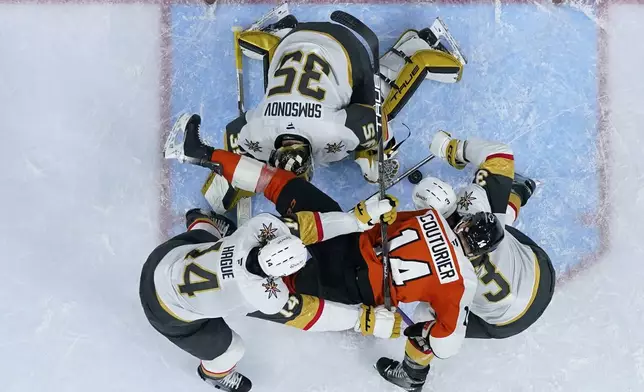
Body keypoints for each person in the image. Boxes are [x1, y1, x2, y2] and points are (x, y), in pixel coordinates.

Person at [170, 114, 505, 392]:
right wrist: (420, 334)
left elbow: (384, 220)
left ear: (466, 221)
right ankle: (413, 375)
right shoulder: (462, 284)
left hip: (346, 238)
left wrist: (373, 215)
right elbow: (446, 343)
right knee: (275, 290)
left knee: (282, 185)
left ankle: (203, 154)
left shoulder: (432, 215)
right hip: (351, 286)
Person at [185, 11, 465, 214]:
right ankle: (279, 34)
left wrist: (383, 157)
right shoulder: (258, 129)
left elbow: (377, 121)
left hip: (344, 45)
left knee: (375, 167)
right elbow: (233, 133)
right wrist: (234, 170)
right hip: (295, 43)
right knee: (287, 89)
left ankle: (415, 48)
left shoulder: (332, 130)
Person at [139, 184, 399, 391]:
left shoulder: (252, 233)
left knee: (210, 242)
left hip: (163, 261)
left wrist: (354, 220)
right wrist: (361, 320)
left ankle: (201, 220)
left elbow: (305, 228)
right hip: (168, 314)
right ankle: (213, 374)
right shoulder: (256, 295)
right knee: (231, 350)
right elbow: (310, 314)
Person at [391, 131, 556, 390]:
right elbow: (499, 154)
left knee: (426, 316)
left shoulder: (435, 262)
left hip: (506, 320)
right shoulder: (474, 204)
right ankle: (518, 191)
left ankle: (413, 374)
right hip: (539, 270)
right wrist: (451, 148)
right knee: (495, 225)